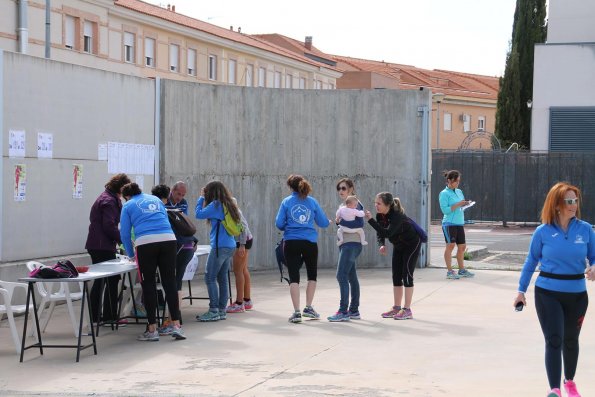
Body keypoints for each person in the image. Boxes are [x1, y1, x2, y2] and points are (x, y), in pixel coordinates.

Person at [513, 182, 595, 397]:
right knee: (554, 339)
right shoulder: (543, 232)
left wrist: (594, 267)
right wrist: (521, 291)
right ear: (557, 204)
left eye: (575, 200)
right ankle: (555, 389)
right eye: (568, 201)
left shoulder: (586, 229)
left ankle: (569, 382)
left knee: (571, 340)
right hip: (547, 292)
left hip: (577, 294)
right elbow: (531, 261)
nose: (573, 205)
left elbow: (594, 257)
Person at [120, 183, 186, 341]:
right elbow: (166, 221)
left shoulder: (128, 205)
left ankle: (152, 330)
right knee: (170, 283)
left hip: (146, 243)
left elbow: (124, 233)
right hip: (169, 240)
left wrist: (130, 254)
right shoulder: (156, 200)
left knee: (148, 284)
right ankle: (176, 325)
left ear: (126, 196)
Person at [275, 174, 330, 323]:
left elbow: (279, 224)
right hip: (310, 242)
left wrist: (290, 224)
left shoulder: (286, 202)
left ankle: (297, 312)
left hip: (291, 242)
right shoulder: (312, 202)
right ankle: (309, 308)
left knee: (294, 277)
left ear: (290, 187)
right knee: (312, 275)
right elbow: (323, 223)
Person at [365, 192, 421, 320]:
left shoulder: (397, 215)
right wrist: (381, 244)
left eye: (379, 203)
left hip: (411, 244)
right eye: (375, 203)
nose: (376, 205)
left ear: (387, 205)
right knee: (396, 276)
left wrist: (370, 221)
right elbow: (381, 232)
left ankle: (407, 310)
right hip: (399, 245)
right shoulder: (380, 215)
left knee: (407, 276)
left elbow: (387, 233)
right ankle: (396, 307)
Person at [85, 173, 131, 327]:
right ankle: (108, 317)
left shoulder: (106, 197)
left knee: (103, 280)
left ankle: (98, 317)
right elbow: (109, 226)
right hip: (102, 245)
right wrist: (124, 241)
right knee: (110, 280)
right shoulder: (109, 201)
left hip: (98, 244)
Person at [194, 180, 239, 322]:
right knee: (222, 278)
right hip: (230, 245)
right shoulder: (229, 203)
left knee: (210, 277)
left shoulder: (216, 205)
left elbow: (199, 214)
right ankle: (221, 310)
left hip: (220, 246)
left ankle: (213, 310)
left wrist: (201, 197)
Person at [327, 178, 365, 322]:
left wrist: (340, 222)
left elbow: (359, 222)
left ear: (350, 189)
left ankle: (343, 311)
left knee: (341, 275)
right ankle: (354, 310)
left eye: (343, 188)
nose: (340, 191)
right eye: (339, 188)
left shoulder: (355, 204)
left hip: (351, 244)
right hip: (347, 244)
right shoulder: (343, 205)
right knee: (351, 277)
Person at [438, 170, 475, 279]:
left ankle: (462, 270)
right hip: (449, 223)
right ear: (449, 180)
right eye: (455, 181)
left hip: (459, 222)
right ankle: (449, 271)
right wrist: (459, 203)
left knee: (462, 247)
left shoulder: (459, 191)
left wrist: (466, 204)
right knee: (450, 246)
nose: (457, 183)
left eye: (458, 181)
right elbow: (445, 210)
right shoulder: (443, 193)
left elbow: (460, 207)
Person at [226, 198, 254, 313]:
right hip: (247, 240)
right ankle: (246, 300)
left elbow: (242, 229)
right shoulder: (237, 211)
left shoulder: (234, 213)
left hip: (242, 242)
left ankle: (239, 303)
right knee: (243, 270)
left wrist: (241, 245)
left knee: (238, 271)